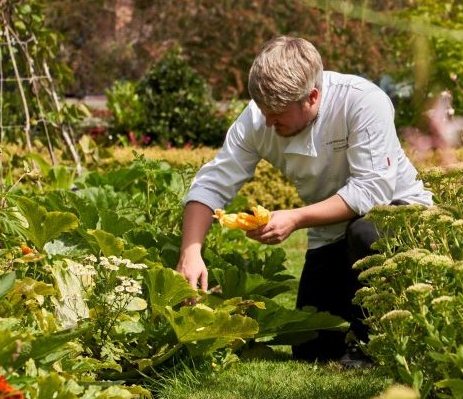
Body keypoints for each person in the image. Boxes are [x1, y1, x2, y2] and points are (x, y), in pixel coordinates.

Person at [175, 36, 433, 365]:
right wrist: (190, 251)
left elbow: (372, 191)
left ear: (312, 97)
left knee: (366, 232)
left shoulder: (363, 101)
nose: (268, 122)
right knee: (313, 351)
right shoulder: (258, 118)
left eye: (277, 114)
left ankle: (394, 336)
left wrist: (295, 218)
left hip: (398, 219)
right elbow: (212, 182)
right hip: (329, 232)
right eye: (264, 112)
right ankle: (358, 337)